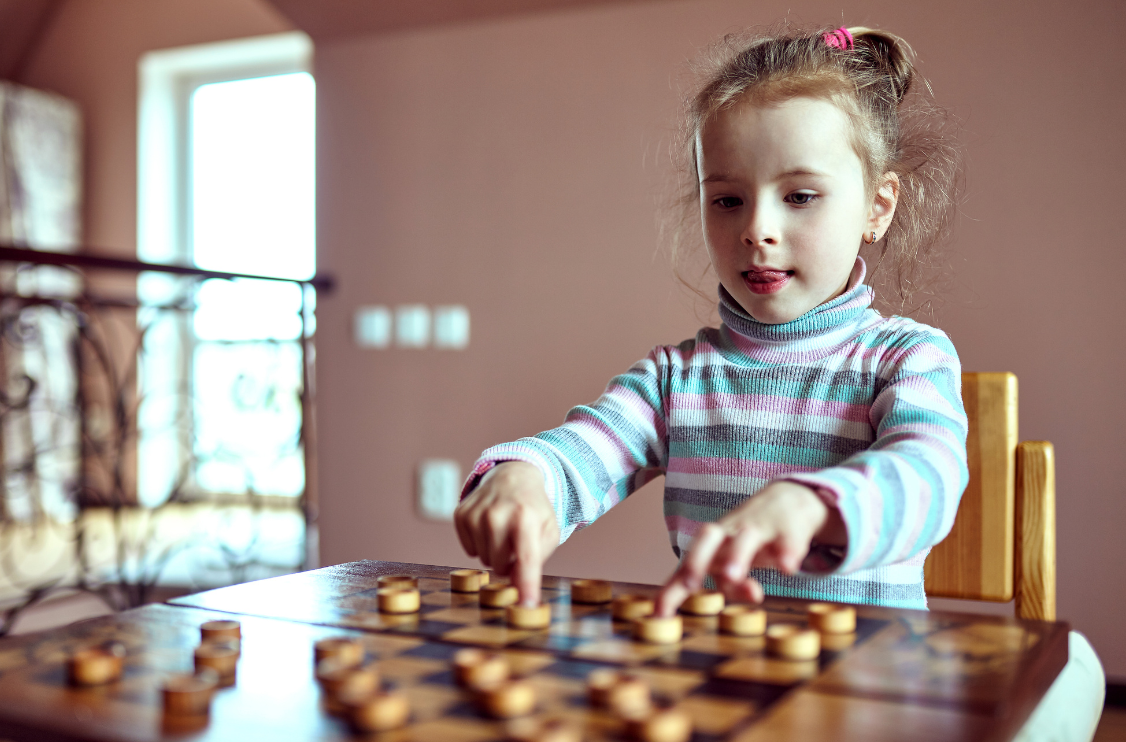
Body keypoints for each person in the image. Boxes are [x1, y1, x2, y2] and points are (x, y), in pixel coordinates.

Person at [454, 25, 1103, 741]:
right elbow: (588, 446)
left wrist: (813, 504)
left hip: (874, 699)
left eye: (799, 196)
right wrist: (526, 477)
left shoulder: (906, 357)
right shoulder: (675, 379)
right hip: (716, 697)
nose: (756, 229)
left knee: (1072, 671)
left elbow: (929, 475)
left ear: (877, 208)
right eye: (727, 200)